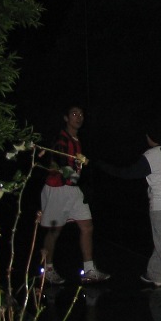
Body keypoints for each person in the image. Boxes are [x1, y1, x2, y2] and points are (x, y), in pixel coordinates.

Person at [97, 117, 161, 297]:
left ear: (151, 137)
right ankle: (155, 274)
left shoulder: (150, 155)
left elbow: (127, 173)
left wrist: (103, 166)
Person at [38, 104, 111, 285]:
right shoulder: (61, 138)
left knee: (87, 226)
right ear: (66, 117)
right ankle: (47, 270)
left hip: (73, 189)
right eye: (74, 114)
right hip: (57, 189)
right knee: (54, 231)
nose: (79, 117)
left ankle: (89, 270)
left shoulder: (77, 140)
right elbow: (59, 163)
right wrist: (74, 173)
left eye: (81, 114)